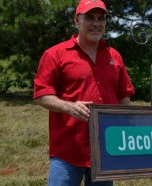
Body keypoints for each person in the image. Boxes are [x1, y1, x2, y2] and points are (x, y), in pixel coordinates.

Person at [33, 0, 135, 185]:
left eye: (101, 18)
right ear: (76, 20)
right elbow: (41, 95)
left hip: (105, 151)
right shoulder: (55, 54)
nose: (96, 23)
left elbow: (123, 97)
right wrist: (69, 107)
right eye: (89, 18)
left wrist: (126, 133)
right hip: (67, 152)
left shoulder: (115, 56)